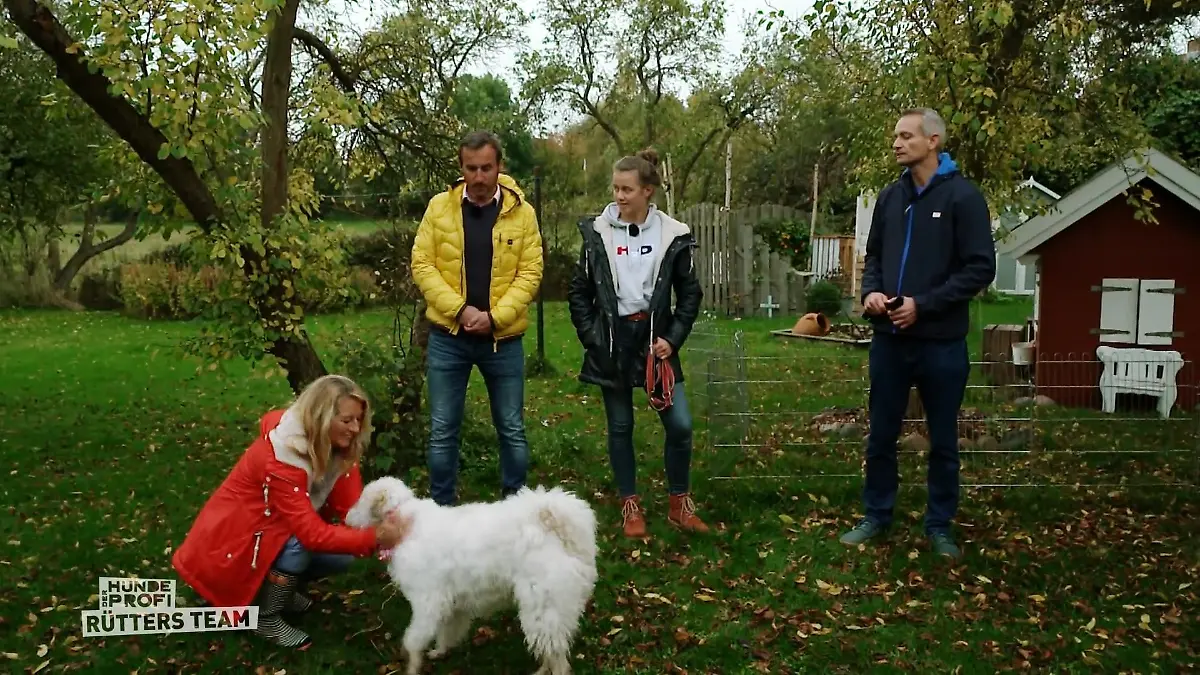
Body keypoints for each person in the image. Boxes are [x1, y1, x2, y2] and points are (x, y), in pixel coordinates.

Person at [840, 108, 997, 560]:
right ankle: (876, 515)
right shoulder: (891, 198)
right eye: (895, 136)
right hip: (890, 341)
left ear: (933, 142)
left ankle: (939, 525)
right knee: (881, 434)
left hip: (942, 344)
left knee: (943, 439)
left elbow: (979, 269)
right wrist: (872, 294)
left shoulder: (964, 198)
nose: (896, 143)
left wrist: (922, 305)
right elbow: (873, 258)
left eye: (906, 136)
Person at [172, 375, 410, 649]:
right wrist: (376, 537)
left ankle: (278, 590)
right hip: (232, 548)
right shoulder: (281, 458)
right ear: (321, 417)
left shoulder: (335, 446)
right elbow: (310, 534)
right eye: (347, 420)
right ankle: (266, 617)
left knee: (343, 556)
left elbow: (350, 511)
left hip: (266, 535)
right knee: (301, 541)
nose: (356, 428)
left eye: (358, 420)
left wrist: (391, 525)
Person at [567, 148, 709, 539]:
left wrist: (672, 339)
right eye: (615, 188)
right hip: (612, 344)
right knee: (621, 426)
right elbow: (579, 293)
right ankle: (630, 505)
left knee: (679, 425)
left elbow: (690, 295)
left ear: (648, 191)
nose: (619, 196)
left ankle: (680, 502)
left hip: (656, 342)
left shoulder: (673, 235)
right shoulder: (597, 234)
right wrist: (594, 340)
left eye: (627, 189)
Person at [411, 130, 543, 506]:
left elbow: (531, 273)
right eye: (472, 168)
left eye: (487, 167)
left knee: (512, 429)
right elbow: (422, 264)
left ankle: (516, 510)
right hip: (448, 338)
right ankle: (441, 512)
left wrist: (495, 317)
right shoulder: (439, 208)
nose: (480, 176)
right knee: (441, 430)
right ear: (462, 168)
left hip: (503, 340)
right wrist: (460, 310)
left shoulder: (523, 213)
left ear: (499, 166)